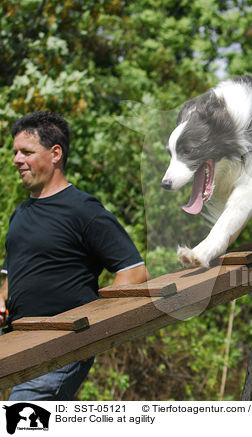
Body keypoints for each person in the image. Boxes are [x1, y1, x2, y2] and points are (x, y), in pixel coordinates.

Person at [0, 111, 149, 400]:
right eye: (16, 152)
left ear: (55, 154)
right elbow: (10, 273)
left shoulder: (83, 210)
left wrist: (89, 329)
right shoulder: (21, 213)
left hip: (61, 348)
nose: (17, 159)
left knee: (20, 420)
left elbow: (135, 271)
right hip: (16, 341)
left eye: (26, 152)